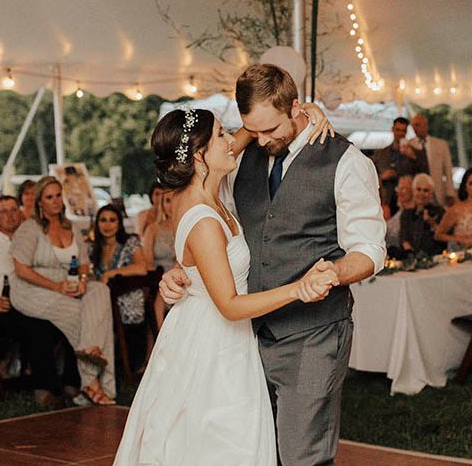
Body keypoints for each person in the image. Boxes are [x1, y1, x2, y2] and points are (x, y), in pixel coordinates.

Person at [150, 64, 386, 466]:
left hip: (312, 334)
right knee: (252, 450)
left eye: (270, 129)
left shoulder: (347, 162)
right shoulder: (240, 159)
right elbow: (211, 232)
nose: (259, 140)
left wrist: (335, 271)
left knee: (301, 454)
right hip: (243, 340)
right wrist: (182, 273)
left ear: (295, 107)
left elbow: (370, 250)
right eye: (250, 130)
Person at [115, 103, 344, 466]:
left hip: (223, 337)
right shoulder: (203, 217)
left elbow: (255, 126)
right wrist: (298, 288)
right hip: (212, 343)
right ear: (199, 155)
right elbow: (229, 304)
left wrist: (304, 110)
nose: (232, 140)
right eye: (221, 134)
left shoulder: (209, 193)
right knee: (219, 444)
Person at [0, 195, 81, 409]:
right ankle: (47, 389)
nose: (10, 215)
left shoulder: (33, 241)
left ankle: (72, 381)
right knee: (39, 327)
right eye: (3, 211)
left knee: (72, 315)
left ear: (21, 213)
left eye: (14, 210)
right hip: (1, 312)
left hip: (34, 301)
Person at [9, 176, 116, 405]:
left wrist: (84, 280)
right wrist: (57, 286)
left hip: (69, 285)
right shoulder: (30, 229)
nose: (56, 201)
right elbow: (21, 270)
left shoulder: (72, 227)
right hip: (32, 289)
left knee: (100, 292)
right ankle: (92, 383)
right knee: (82, 314)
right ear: (40, 202)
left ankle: (91, 349)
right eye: (49, 197)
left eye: (58, 195)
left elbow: (85, 262)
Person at [88, 204, 147, 369]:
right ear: (97, 223)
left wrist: (110, 273)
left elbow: (142, 267)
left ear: (119, 223)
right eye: (103, 220)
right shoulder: (94, 247)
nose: (107, 225)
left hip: (126, 299)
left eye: (112, 220)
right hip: (102, 301)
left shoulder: (129, 242)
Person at [372, 117, 421, 214]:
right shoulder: (381, 154)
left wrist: (413, 156)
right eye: (398, 130)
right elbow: (371, 174)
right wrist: (381, 177)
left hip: (407, 200)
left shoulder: (413, 152)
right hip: (387, 200)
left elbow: (421, 172)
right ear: (393, 129)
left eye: (403, 130)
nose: (400, 133)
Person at [141, 190, 175, 327]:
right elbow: (148, 261)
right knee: (161, 296)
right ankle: (161, 338)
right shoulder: (153, 229)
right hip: (157, 278)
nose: (171, 205)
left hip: (183, 277)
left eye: (174, 199)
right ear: (162, 204)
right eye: (167, 200)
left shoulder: (188, 226)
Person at [409, 113, 456, 207]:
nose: (415, 128)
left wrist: (450, 193)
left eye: (418, 125)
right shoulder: (409, 145)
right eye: (413, 125)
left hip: (438, 192)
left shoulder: (441, 145)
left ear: (426, 125)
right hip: (417, 193)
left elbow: (448, 170)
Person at [399, 173, 445, 256]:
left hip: (435, 256)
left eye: (425, 190)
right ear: (413, 191)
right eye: (418, 189)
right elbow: (404, 238)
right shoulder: (406, 214)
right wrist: (411, 254)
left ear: (431, 193)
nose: (421, 194)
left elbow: (444, 236)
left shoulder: (439, 211)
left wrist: (431, 223)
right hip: (411, 257)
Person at [385, 174, 415, 256]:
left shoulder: (413, 215)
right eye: (399, 188)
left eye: (405, 189)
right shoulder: (397, 212)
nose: (401, 192)